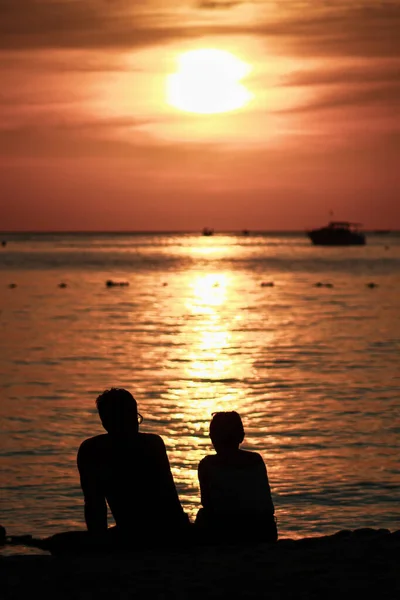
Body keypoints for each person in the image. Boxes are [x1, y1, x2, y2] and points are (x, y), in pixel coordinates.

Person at [76, 387, 189, 548]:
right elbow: (170, 500)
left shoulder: (91, 450)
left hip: (137, 534)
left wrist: (98, 543)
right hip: (166, 533)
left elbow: (94, 507)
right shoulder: (152, 444)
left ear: (104, 421)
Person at [195, 411, 277, 544]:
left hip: (225, 532)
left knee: (202, 516)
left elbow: (207, 503)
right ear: (241, 437)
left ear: (212, 438)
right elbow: (266, 504)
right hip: (261, 531)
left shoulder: (207, 464)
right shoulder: (255, 460)